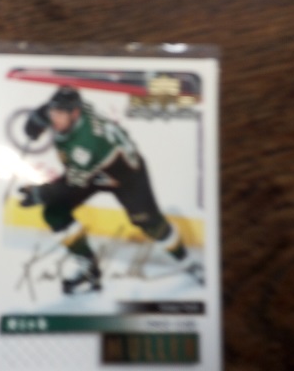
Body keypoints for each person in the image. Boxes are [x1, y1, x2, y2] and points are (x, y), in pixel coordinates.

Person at [19, 86, 189, 294]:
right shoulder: (71, 111)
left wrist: (41, 193)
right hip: (94, 171)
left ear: (75, 114)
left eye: (59, 114)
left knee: (150, 224)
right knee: (55, 213)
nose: (53, 119)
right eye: (53, 113)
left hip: (126, 176)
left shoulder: (85, 144)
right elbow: (53, 108)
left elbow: (71, 183)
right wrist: (37, 118)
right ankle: (89, 270)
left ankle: (187, 261)